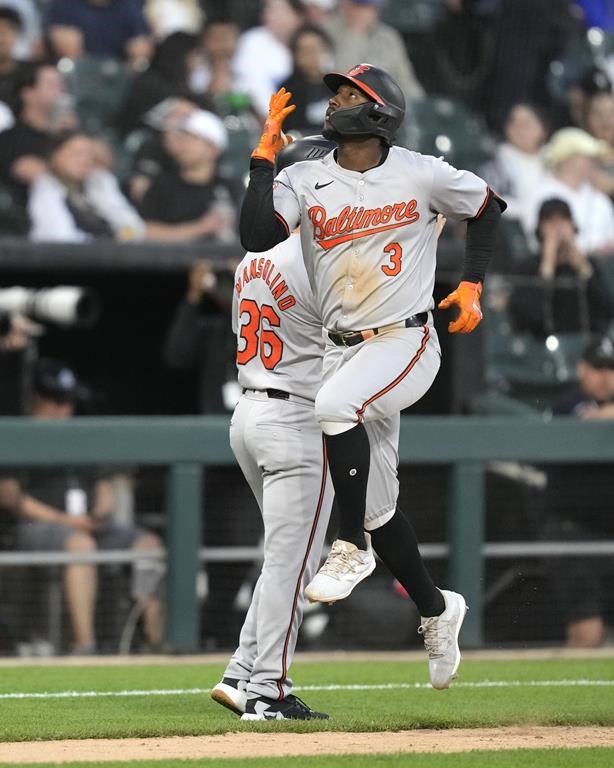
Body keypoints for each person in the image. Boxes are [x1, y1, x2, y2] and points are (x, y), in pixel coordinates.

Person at [239, 64, 505, 689]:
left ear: (381, 110)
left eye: (349, 94)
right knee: (382, 508)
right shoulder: (305, 174)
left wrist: (471, 282)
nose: (334, 102)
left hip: (405, 338)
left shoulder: (420, 171)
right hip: (341, 349)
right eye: (335, 93)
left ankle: (348, 545)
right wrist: (262, 157)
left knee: (332, 409)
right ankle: (439, 609)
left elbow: (489, 207)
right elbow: (255, 236)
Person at [211, 136, 337, 721]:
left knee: (281, 558)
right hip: (295, 417)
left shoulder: (251, 256)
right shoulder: (312, 255)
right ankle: (269, 690)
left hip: (250, 411)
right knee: (294, 562)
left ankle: (242, 672)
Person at [0, 359, 164, 654]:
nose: (65, 409)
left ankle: (154, 641)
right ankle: (85, 646)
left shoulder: (78, 433)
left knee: (148, 543)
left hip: (87, 524)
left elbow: (102, 483)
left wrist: (101, 510)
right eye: (57, 402)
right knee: (81, 544)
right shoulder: (20, 431)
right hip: (38, 529)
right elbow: (9, 496)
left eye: (68, 402)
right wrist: (66, 521)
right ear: (38, 398)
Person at [543, 335, 614, 647]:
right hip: (573, 534)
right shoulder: (568, 402)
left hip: (606, 532)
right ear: (583, 369)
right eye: (598, 368)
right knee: (588, 630)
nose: (606, 376)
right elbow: (589, 420)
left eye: (611, 369)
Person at [508, 198, 614, 338]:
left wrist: (583, 268)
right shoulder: (527, 267)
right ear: (540, 228)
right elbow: (527, 316)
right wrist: (547, 267)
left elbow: (606, 308)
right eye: (550, 221)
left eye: (563, 220)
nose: (558, 228)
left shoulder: (590, 265)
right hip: (541, 346)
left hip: (586, 344)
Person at [28, 130, 144, 242]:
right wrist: (102, 246)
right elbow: (60, 237)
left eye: (89, 155)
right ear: (55, 156)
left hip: (109, 256)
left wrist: (119, 239)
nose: (84, 160)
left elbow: (133, 227)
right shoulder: (46, 187)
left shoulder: (99, 183)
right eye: (77, 154)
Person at [139, 108, 236, 242]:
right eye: (182, 137)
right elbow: (145, 231)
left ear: (213, 148)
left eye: (193, 138)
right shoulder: (162, 185)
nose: (184, 144)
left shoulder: (230, 188)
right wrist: (199, 228)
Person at [533, 127, 614, 255]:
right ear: (568, 159)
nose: (593, 163)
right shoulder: (542, 193)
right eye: (587, 157)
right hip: (562, 270)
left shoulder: (600, 199)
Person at [324, 0, 424, 102]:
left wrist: (418, 102)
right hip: (347, 104)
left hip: (386, 104)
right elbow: (342, 75)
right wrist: (356, 33)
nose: (365, 12)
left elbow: (405, 78)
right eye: (359, 7)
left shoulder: (389, 36)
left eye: (370, 7)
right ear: (345, 6)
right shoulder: (327, 32)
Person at [481, 103, 550, 241]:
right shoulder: (498, 162)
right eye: (513, 123)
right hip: (517, 239)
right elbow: (488, 201)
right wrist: (527, 211)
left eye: (526, 124)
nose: (519, 129)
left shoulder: (554, 159)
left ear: (543, 130)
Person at [231, 0, 306, 120]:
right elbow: (254, 90)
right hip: (262, 120)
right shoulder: (252, 41)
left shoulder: (312, 40)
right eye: (267, 10)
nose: (268, 15)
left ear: (298, 15)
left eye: (277, 10)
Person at [44, 0, 152, 68]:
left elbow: (141, 41)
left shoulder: (128, 5)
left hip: (119, 72)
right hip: (78, 70)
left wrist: (137, 52)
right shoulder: (64, 4)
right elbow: (64, 44)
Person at [278, 24, 334, 137]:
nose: (312, 56)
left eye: (316, 49)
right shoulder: (287, 90)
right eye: (306, 51)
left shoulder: (337, 85)